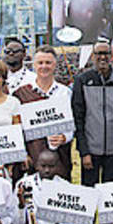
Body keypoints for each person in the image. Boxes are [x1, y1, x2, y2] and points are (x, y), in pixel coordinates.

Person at [71, 40, 113, 224]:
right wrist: (83, 151)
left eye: (106, 53)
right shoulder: (82, 80)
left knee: (110, 198)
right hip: (91, 151)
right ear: (93, 56)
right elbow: (78, 117)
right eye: (98, 54)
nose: (102, 57)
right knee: (89, 196)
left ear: (112, 55)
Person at [12, 46, 74, 180]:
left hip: (59, 155)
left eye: (48, 62)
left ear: (55, 65)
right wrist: (22, 153)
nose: (44, 66)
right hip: (32, 154)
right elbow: (16, 127)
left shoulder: (65, 92)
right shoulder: (21, 93)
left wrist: (64, 137)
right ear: (34, 65)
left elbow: (72, 123)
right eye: (40, 63)